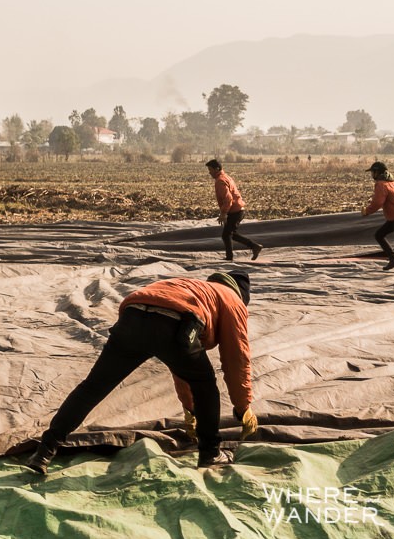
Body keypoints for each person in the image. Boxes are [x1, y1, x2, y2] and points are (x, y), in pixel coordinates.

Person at [26, 270, 258, 474]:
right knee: (206, 386)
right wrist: (243, 407)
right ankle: (210, 454)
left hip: (132, 317)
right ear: (241, 295)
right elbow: (236, 359)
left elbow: (180, 366)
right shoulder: (232, 300)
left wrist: (190, 409)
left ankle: (44, 452)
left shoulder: (193, 287)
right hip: (175, 324)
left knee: (93, 387)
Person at [361, 161, 394, 270]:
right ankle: (393, 259)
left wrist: (367, 211)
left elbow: (378, 202)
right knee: (379, 235)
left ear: (377, 172)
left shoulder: (381, 184)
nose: (372, 175)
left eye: (372, 172)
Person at [206, 159, 263, 261]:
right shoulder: (225, 177)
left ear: (217, 169)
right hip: (238, 210)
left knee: (226, 235)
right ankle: (253, 247)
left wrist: (223, 213)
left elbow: (228, 199)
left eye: (210, 170)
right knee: (231, 234)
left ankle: (231, 256)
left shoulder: (220, 181)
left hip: (235, 211)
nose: (209, 172)